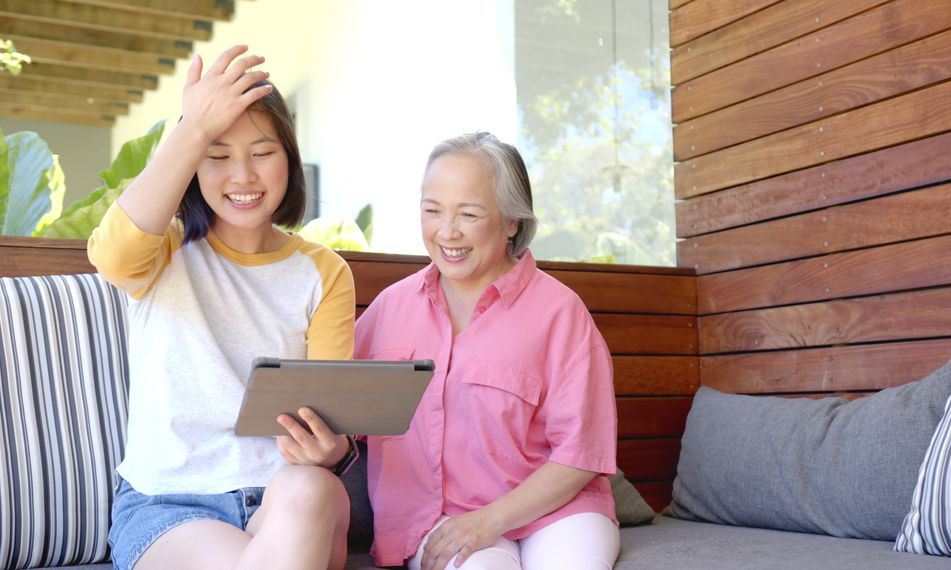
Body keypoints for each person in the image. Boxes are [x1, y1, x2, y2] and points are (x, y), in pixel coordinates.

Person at [89, 45, 358, 570]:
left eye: (262, 153)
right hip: (170, 506)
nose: (243, 176)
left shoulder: (324, 273)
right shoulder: (164, 248)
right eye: (217, 155)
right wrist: (192, 127)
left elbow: (332, 414)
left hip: (284, 498)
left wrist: (329, 449)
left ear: (289, 159)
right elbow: (112, 256)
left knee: (312, 488)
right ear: (193, 164)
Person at [354, 132, 621, 570]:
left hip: (559, 513)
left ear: (511, 221)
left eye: (469, 213)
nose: (447, 231)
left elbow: (581, 454)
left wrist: (490, 520)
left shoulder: (560, 311)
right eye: (432, 210)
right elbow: (340, 413)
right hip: (438, 521)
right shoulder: (390, 309)